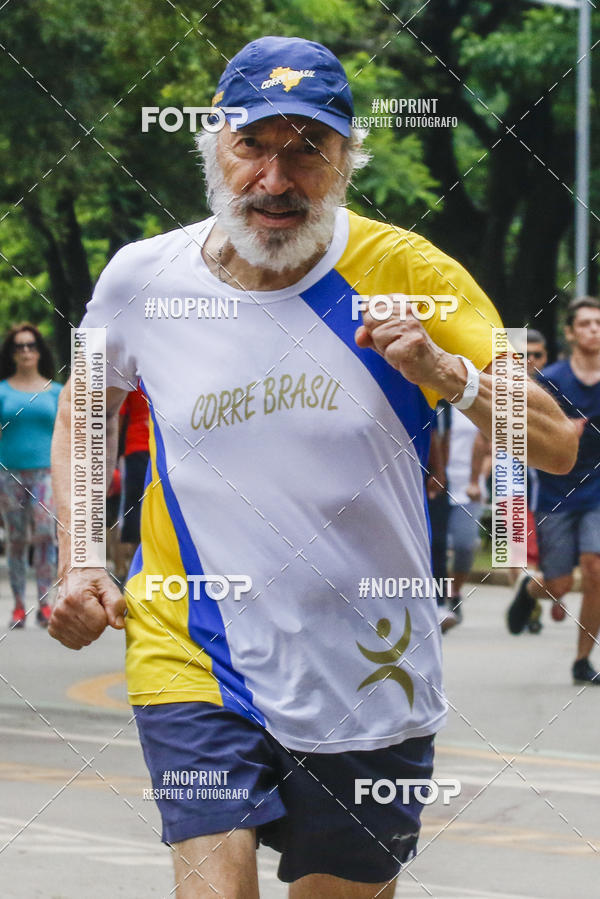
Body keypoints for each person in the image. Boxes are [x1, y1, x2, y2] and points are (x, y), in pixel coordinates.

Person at [49, 36, 577, 899]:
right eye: (254, 144)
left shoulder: (409, 271)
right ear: (215, 148)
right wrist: (80, 554)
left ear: (346, 159)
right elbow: (85, 405)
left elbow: (552, 440)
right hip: (192, 648)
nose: (276, 176)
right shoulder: (142, 277)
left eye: (308, 148)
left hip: (372, 664)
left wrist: (449, 375)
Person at [507, 298, 600, 684]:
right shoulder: (551, 381)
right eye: (585, 324)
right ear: (570, 332)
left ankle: (582, 659)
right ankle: (530, 592)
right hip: (556, 492)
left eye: (599, 323)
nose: (593, 330)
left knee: (596, 570)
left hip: (597, 490)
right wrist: (559, 435)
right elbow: (521, 436)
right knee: (559, 583)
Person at [0, 323, 61, 628]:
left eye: (31, 345)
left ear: (40, 351)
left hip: (46, 474)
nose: (25, 351)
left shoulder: (56, 392)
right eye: (19, 346)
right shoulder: (1, 391)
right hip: (8, 475)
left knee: (45, 535)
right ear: (12, 353)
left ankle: (45, 604)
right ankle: (19, 606)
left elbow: (68, 437)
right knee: (16, 540)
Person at [443, 406, 489, 628]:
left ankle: (454, 592)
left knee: (464, 545)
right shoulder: (436, 403)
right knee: (435, 546)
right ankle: (435, 599)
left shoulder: (475, 403)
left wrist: (478, 478)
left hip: (468, 490)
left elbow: (491, 448)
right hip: (438, 486)